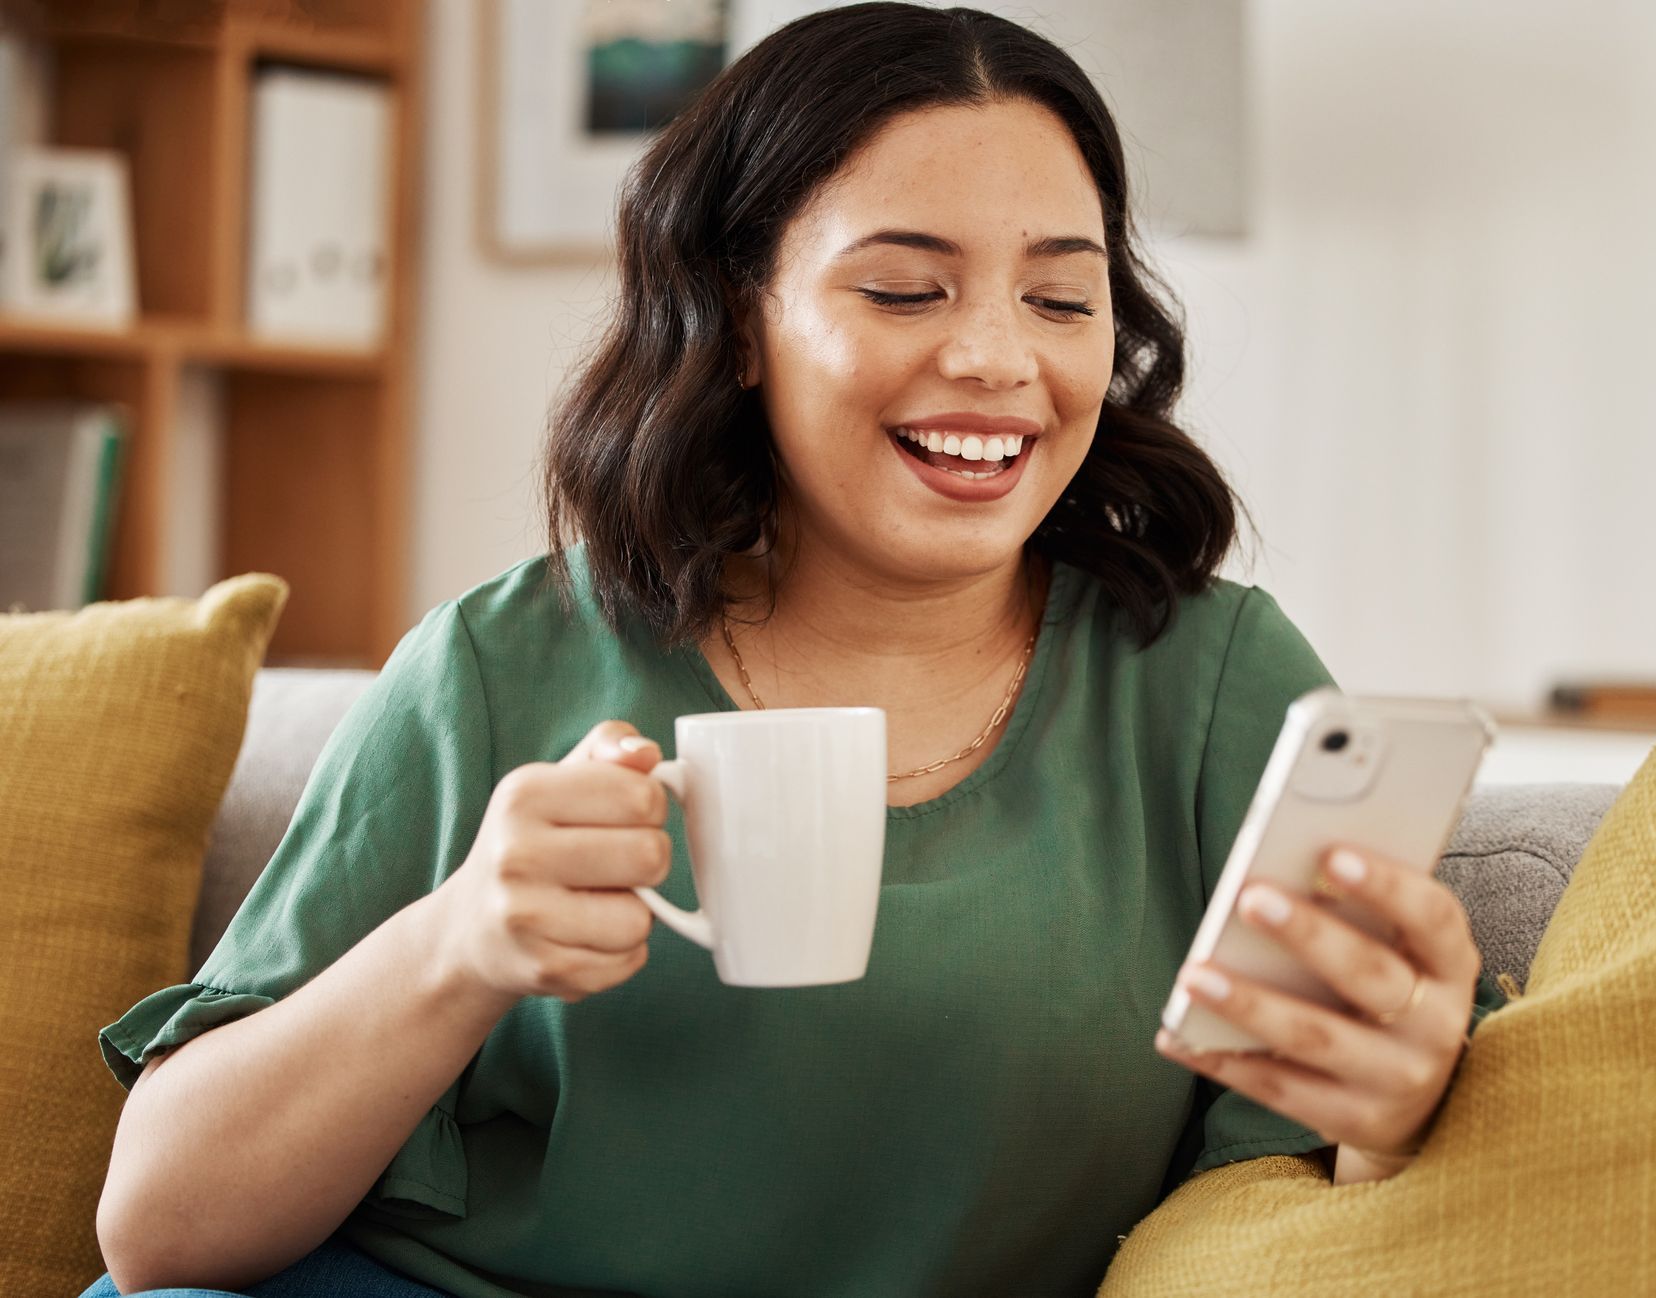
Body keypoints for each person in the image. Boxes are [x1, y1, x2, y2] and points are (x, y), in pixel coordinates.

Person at [84, 6, 1508, 1295]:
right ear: (741, 317)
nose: (1001, 361)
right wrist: (459, 945)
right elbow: (158, 1230)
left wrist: (1389, 1119)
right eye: (904, 289)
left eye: (1063, 299)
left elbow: (1284, 1210)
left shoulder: (1210, 690)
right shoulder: (500, 662)